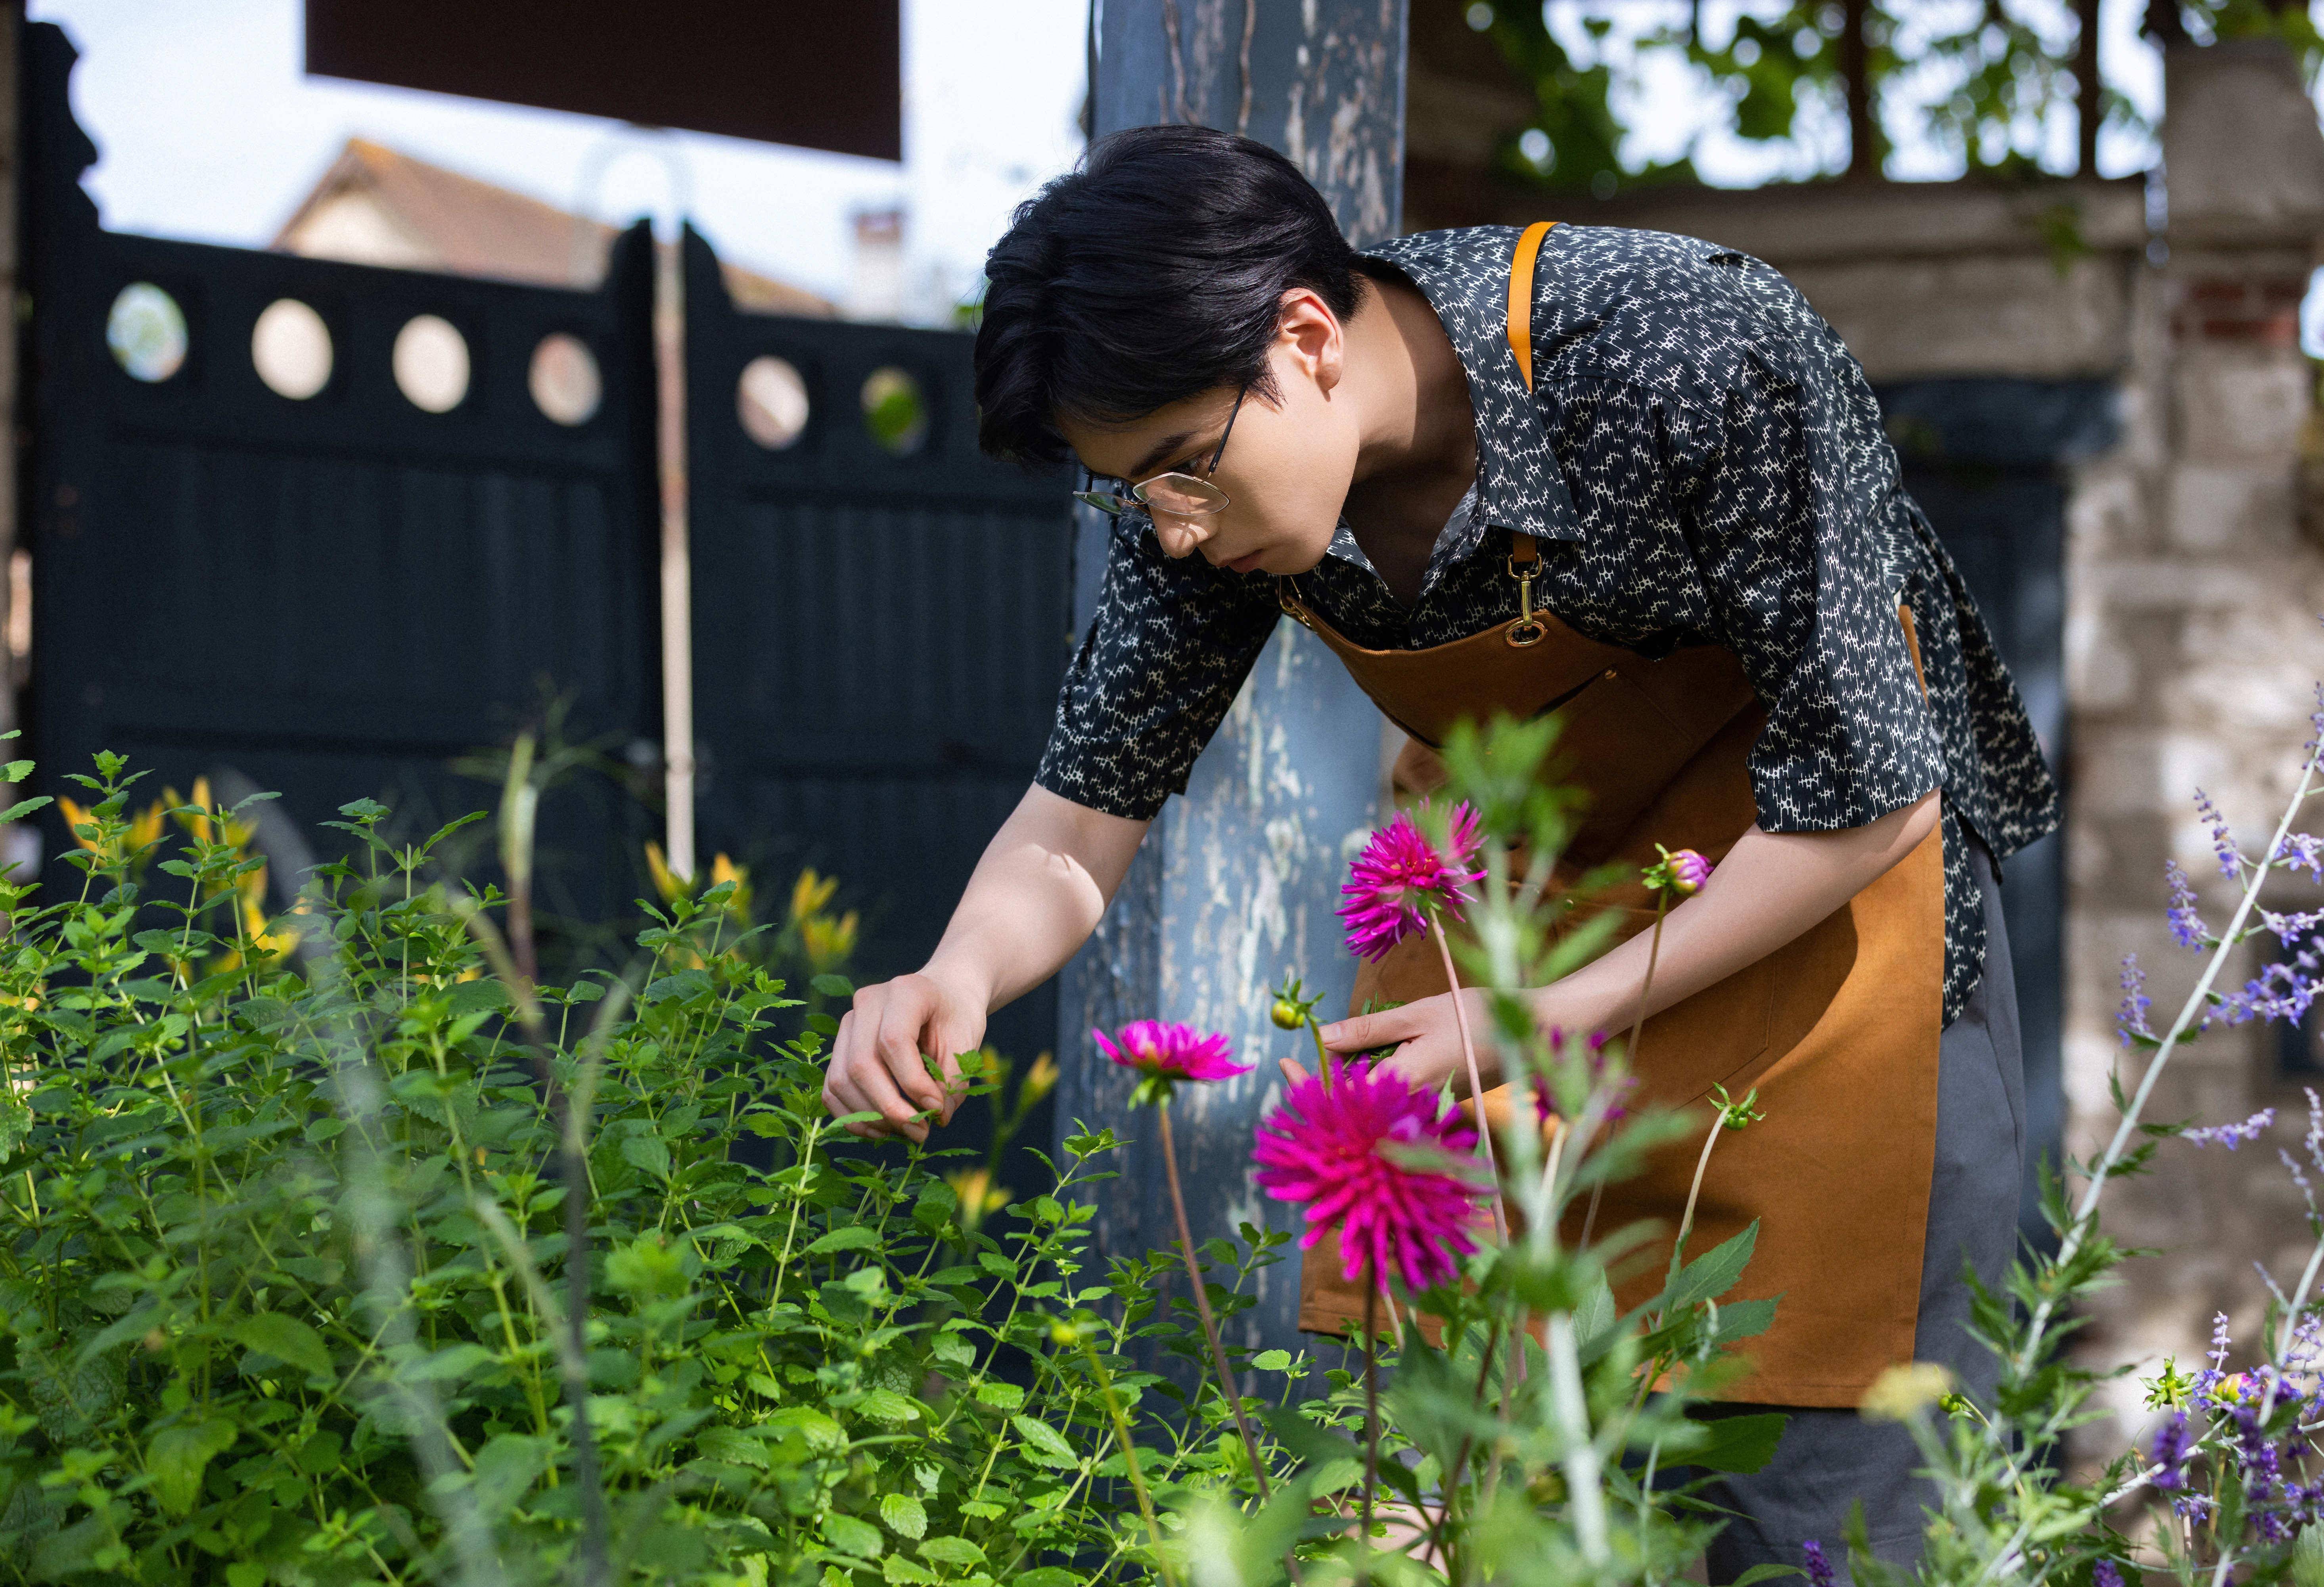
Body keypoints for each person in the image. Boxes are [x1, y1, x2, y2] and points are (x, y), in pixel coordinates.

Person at [826, 124, 2062, 1572]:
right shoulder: (1215, 502)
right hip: (1506, 932)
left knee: (1830, 1504)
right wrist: (958, 971)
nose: (1164, 533)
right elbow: (1083, 810)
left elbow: (1873, 799)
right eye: (1132, 494)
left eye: (1178, 472)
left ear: (1306, 336)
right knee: (1453, 1489)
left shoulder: (1690, 348)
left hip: (1816, 931)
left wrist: (1548, 1015)